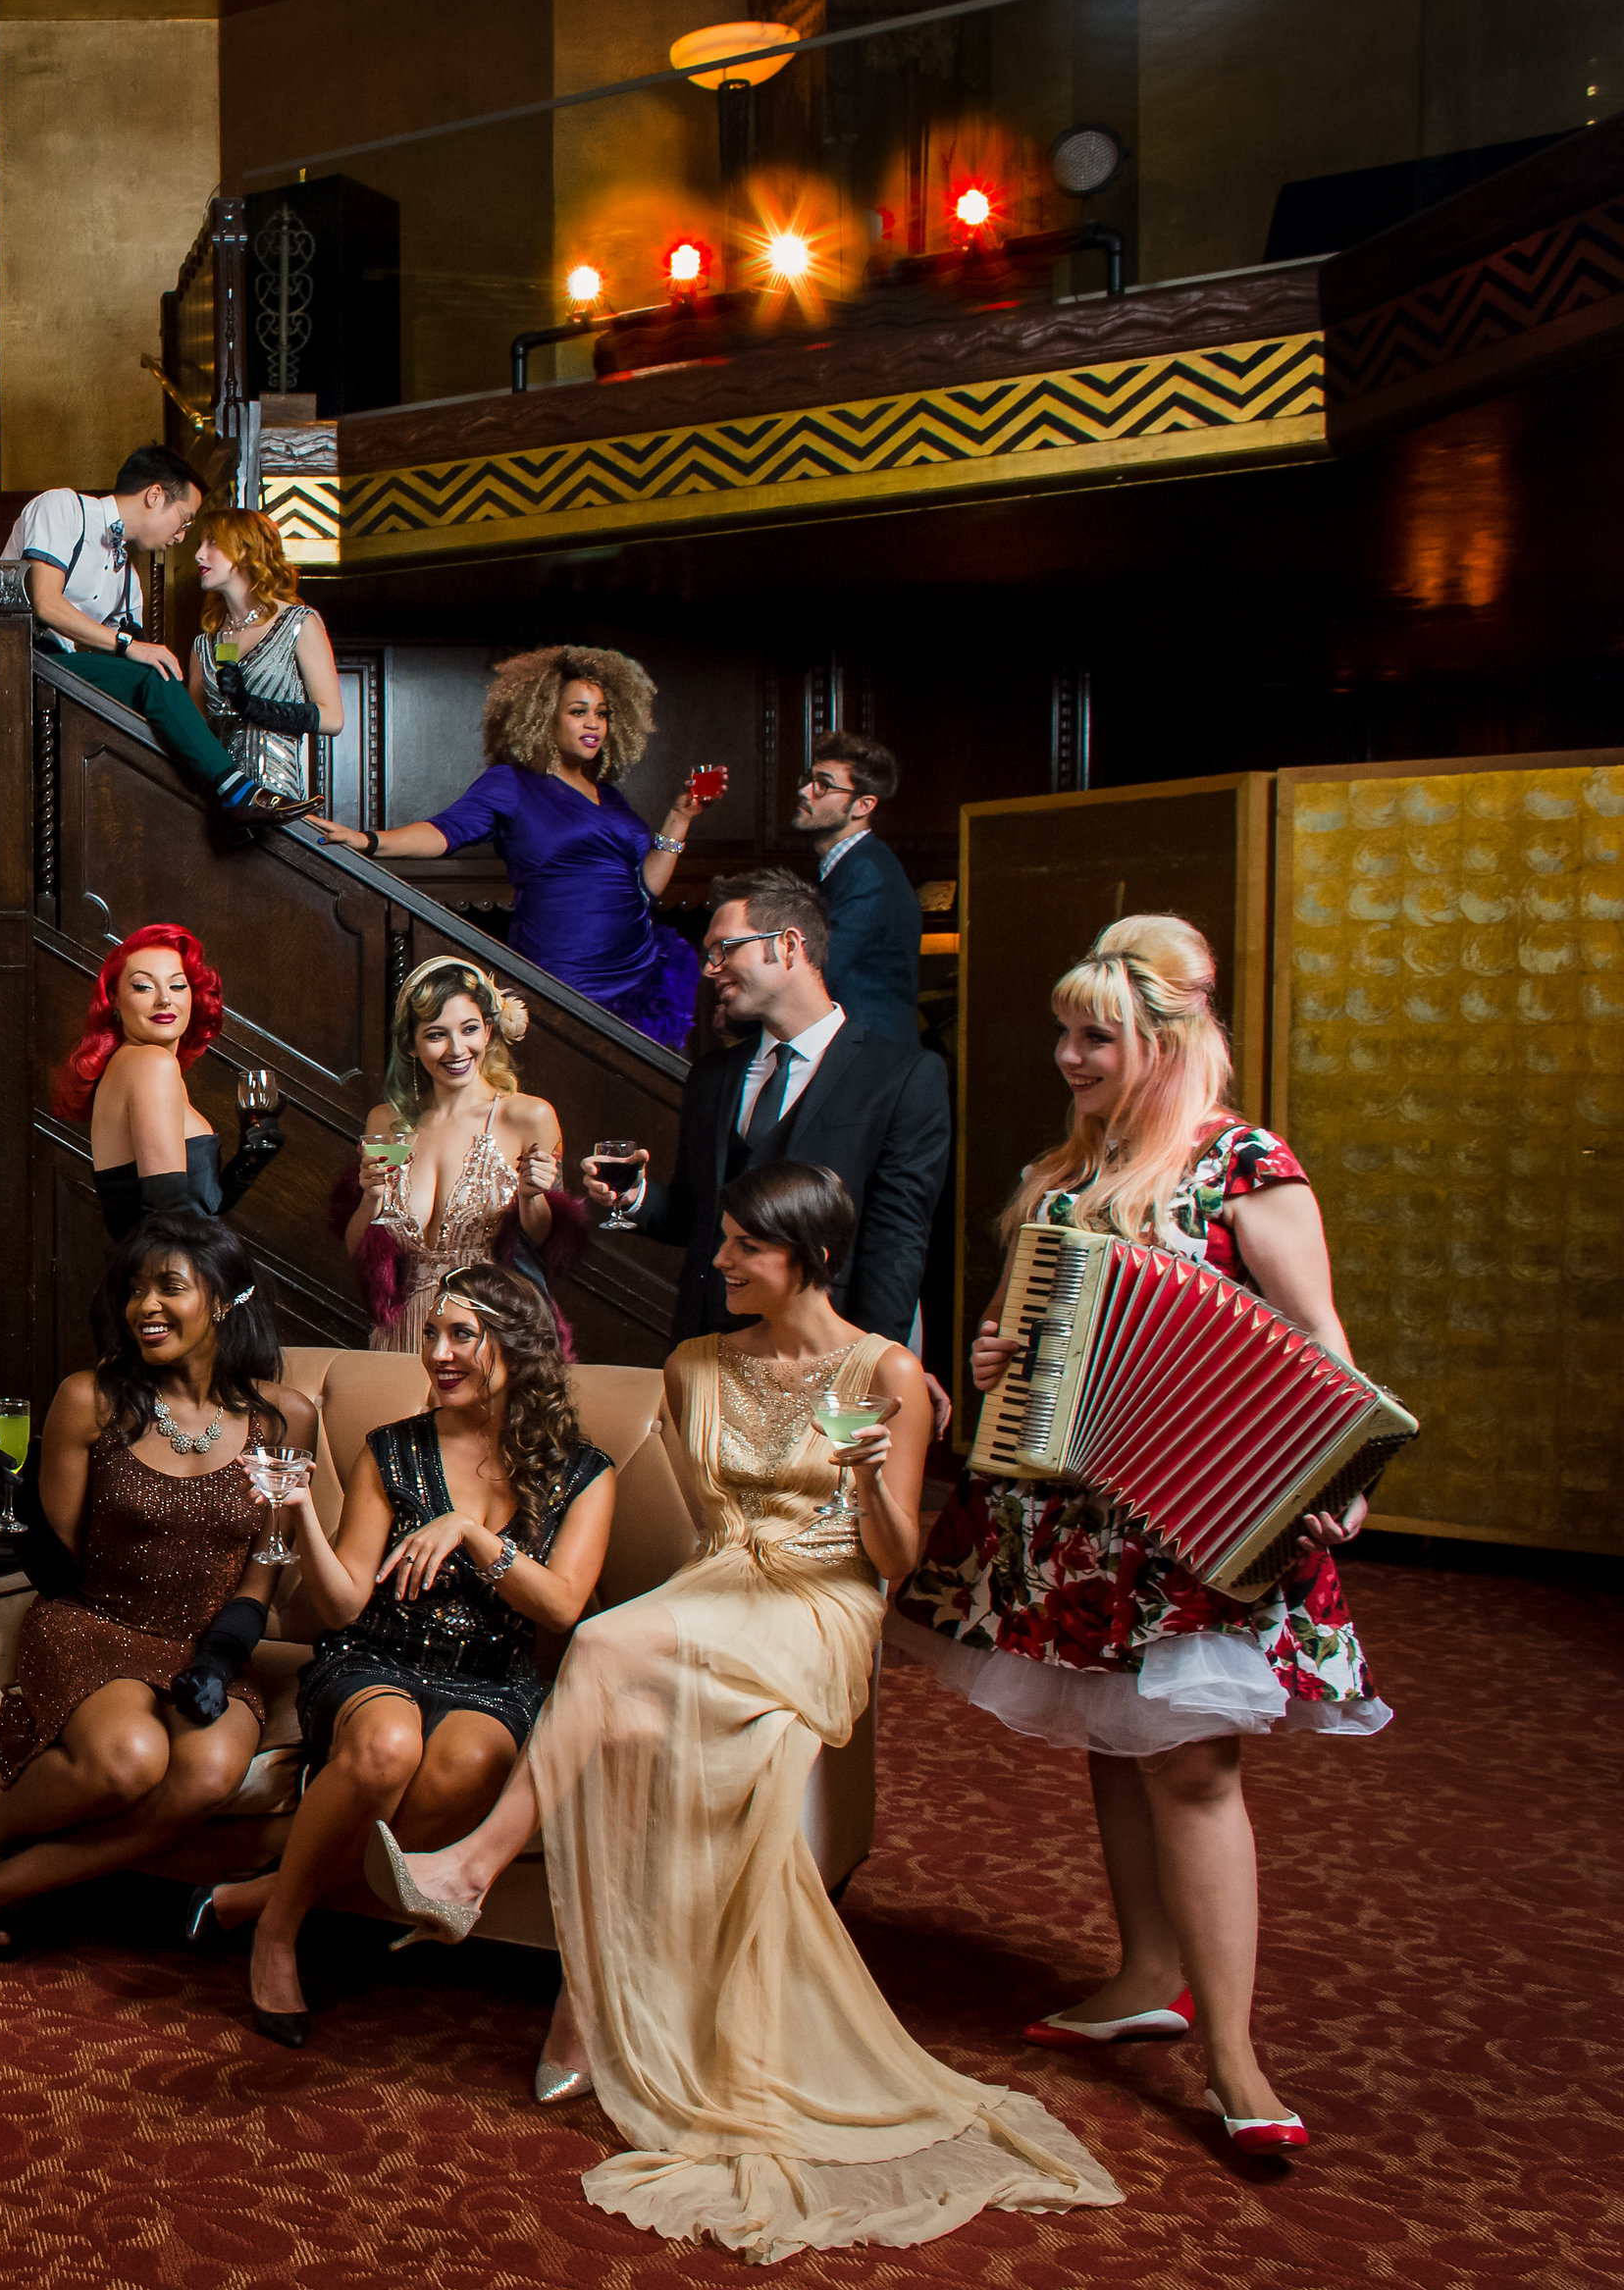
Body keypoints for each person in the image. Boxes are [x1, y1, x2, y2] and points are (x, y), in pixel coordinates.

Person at [366, 1163, 1121, 2261]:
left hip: (823, 1602)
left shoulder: (892, 1371)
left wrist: (866, 1477)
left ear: (805, 1259)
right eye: (719, 1243)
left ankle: (488, 1886)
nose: (715, 1264)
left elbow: (894, 1563)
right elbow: (716, 1525)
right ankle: (562, 1962)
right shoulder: (693, 1364)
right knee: (619, 1687)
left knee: (622, 1652)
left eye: (739, 1250)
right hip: (721, 1588)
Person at [890, 913, 1384, 2159]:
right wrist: (995, 1359)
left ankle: (1231, 2051)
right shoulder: (1058, 1179)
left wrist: (1344, 1477)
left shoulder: (1245, 1167)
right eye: (1063, 1034)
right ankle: (1143, 1976)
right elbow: (1008, 1361)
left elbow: (1321, 1341)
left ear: (1166, 1044)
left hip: (1208, 1522)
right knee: (1115, 1744)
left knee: (1196, 1767)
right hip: (1081, 1518)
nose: (1066, 1055)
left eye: (1093, 1037)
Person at [0, 1214, 316, 1985]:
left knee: (207, 1778)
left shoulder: (286, 1421)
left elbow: (262, 1574)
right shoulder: (91, 1400)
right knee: (129, 1761)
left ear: (220, 1299)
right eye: (133, 1290)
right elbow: (60, 1567)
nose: (144, 1306)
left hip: (209, 1648)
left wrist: (218, 1661)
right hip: (96, 1623)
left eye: (169, 1287)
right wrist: (9, 1497)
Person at [190, 1264, 612, 2049]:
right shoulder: (391, 1450)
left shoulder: (581, 1474)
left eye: (461, 1335)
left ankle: (268, 1892)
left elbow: (562, 1606)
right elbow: (345, 1602)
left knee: (465, 1767)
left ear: (514, 1347)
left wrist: (472, 1534)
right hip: (375, 1658)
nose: (438, 1353)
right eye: (430, 1334)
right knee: (388, 1747)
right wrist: (298, 1514)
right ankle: (277, 1933)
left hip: (491, 1681)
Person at [580, 870, 949, 1349]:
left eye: (725, 948)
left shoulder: (901, 1077)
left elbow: (896, 1244)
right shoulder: (712, 1077)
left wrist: (874, 1366)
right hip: (707, 1347)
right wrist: (634, 1196)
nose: (711, 968)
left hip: (824, 1352)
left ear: (788, 945)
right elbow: (696, 1215)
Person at [307, 648, 706, 1047]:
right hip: (562, 974)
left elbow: (646, 889)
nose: (594, 725)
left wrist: (680, 817)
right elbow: (445, 832)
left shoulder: (611, 798)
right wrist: (370, 840)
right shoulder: (512, 785)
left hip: (637, 970)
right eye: (578, 711)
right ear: (544, 714)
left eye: (601, 713)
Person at [18, 446, 318, 827]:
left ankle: (218, 800)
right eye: (185, 520)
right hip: (14, 663)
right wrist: (131, 646)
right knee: (148, 673)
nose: (182, 538)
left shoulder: (128, 578)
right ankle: (237, 792)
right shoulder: (63, 507)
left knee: (158, 676)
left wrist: (148, 659)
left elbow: (134, 659)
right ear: (155, 495)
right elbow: (44, 603)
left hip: (64, 678)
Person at [347, 956, 573, 1351]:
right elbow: (358, 1249)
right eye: (436, 1035)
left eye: (469, 1030)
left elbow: (545, 1248)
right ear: (411, 1045)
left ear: (488, 1032)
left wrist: (532, 1196)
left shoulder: (528, 1115)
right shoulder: (386, 1121)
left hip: (489, 1328)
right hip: (403, 1332)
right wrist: (371, 1198)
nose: (457, 1049)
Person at [55, 923, 229, 1240]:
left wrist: (250, 1161)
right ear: (114, 999)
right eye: (143, 987)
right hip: (169, 1275)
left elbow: (198, 1207)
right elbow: (170, 1213)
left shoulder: (131, 1064)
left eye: (178, 986)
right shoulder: (152, 1063)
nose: (164, 999)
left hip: (157, 1270)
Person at [185, 508, 343, 807]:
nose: (198, 554)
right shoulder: (203, 645)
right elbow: (196, 734)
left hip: (279, 805)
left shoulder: (298, 623)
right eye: (200, 543)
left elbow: (333, 718)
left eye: (212, 543)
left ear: (245, 550)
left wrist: (253, 706)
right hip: (216, 810)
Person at [793, 731, 920, 1036]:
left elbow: (820, 971)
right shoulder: (846, 866)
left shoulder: (866, 871)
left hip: (872, 1060)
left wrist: (740, 1017)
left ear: (862, 806)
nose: (805, 791)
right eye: (808, 780)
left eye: (823, 784)